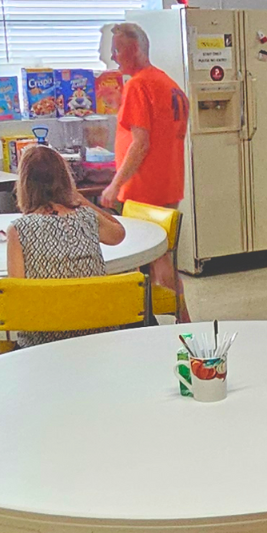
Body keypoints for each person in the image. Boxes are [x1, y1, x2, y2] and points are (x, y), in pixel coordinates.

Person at [98, 20, 192, 321]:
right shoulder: (167, 83)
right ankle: (174, 319)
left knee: (152, 260)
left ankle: (171, 321)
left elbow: (141, 144)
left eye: (117, 50)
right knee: (163, 257)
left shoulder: (138, 85)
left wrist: (115, 185)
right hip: (168, 184)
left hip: (143, 189)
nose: (113, 57)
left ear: (136, 49)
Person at [3, 143, 126, 348]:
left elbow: (19, 295)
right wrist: (82, 201)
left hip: (44, 338)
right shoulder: (87, 217)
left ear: (24, 184)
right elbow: (118, 233)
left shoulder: (18, 229)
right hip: (96, 332)